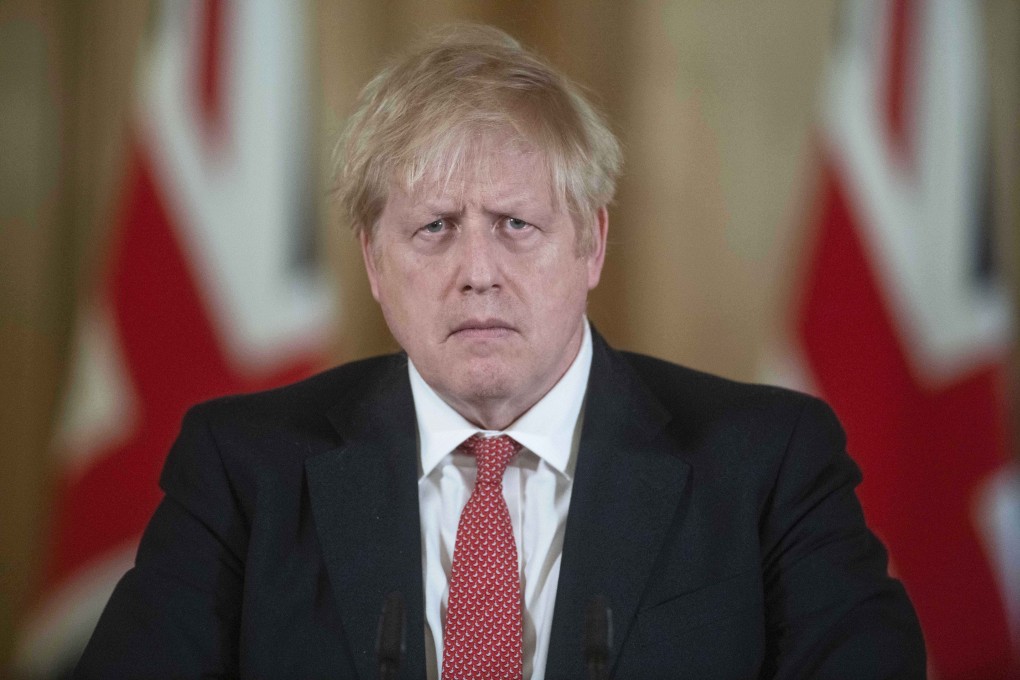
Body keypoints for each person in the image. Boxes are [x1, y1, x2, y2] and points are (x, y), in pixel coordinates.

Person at [75, 24, 925, 679]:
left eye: (517, 226)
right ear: (375, 260)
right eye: (434, 228)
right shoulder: (244, 469)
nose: (477, 273)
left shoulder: (768, 464)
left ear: (590, 245)